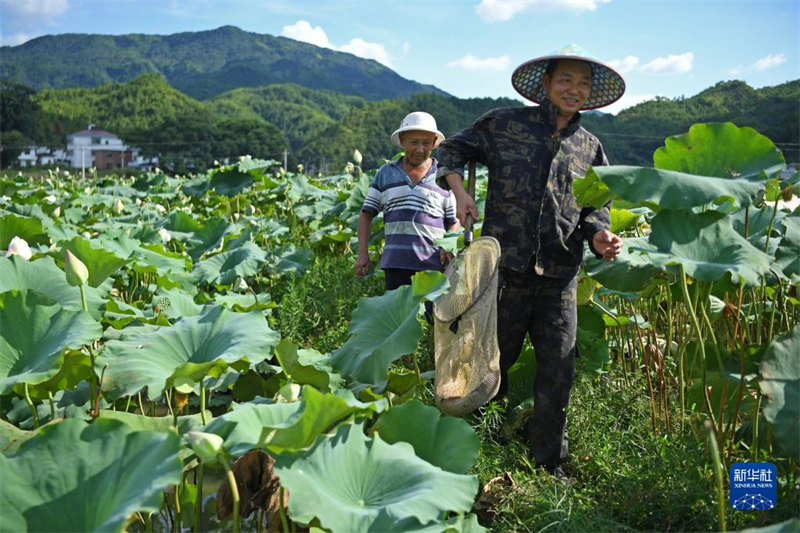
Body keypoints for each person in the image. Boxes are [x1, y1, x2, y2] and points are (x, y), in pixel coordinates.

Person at [435, 44, 625, 480]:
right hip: (505, 272)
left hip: (560, 277)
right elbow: (451, 151)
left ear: (590, 93)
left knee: (558, 368)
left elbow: (596, 211)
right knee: (488, 364)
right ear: (545, 83)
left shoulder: (590, 148)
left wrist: (600, 237)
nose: (574, 89)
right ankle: (476, 448)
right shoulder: (504, 123)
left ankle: (548, 463)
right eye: (565, 80)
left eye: (582, 83)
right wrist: (459, 192)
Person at [355, 111, 459, 297]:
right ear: (402, 140)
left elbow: (453, 221)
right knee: (399, 318)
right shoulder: (385, 173)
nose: (420, 149)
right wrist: (363, 253)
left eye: (426, 143)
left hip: (433, 266)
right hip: (395, 263)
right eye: (414, 142)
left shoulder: (444, 175)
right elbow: (366, 214)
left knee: (429, 321)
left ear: (434, 142)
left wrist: (449, 246)